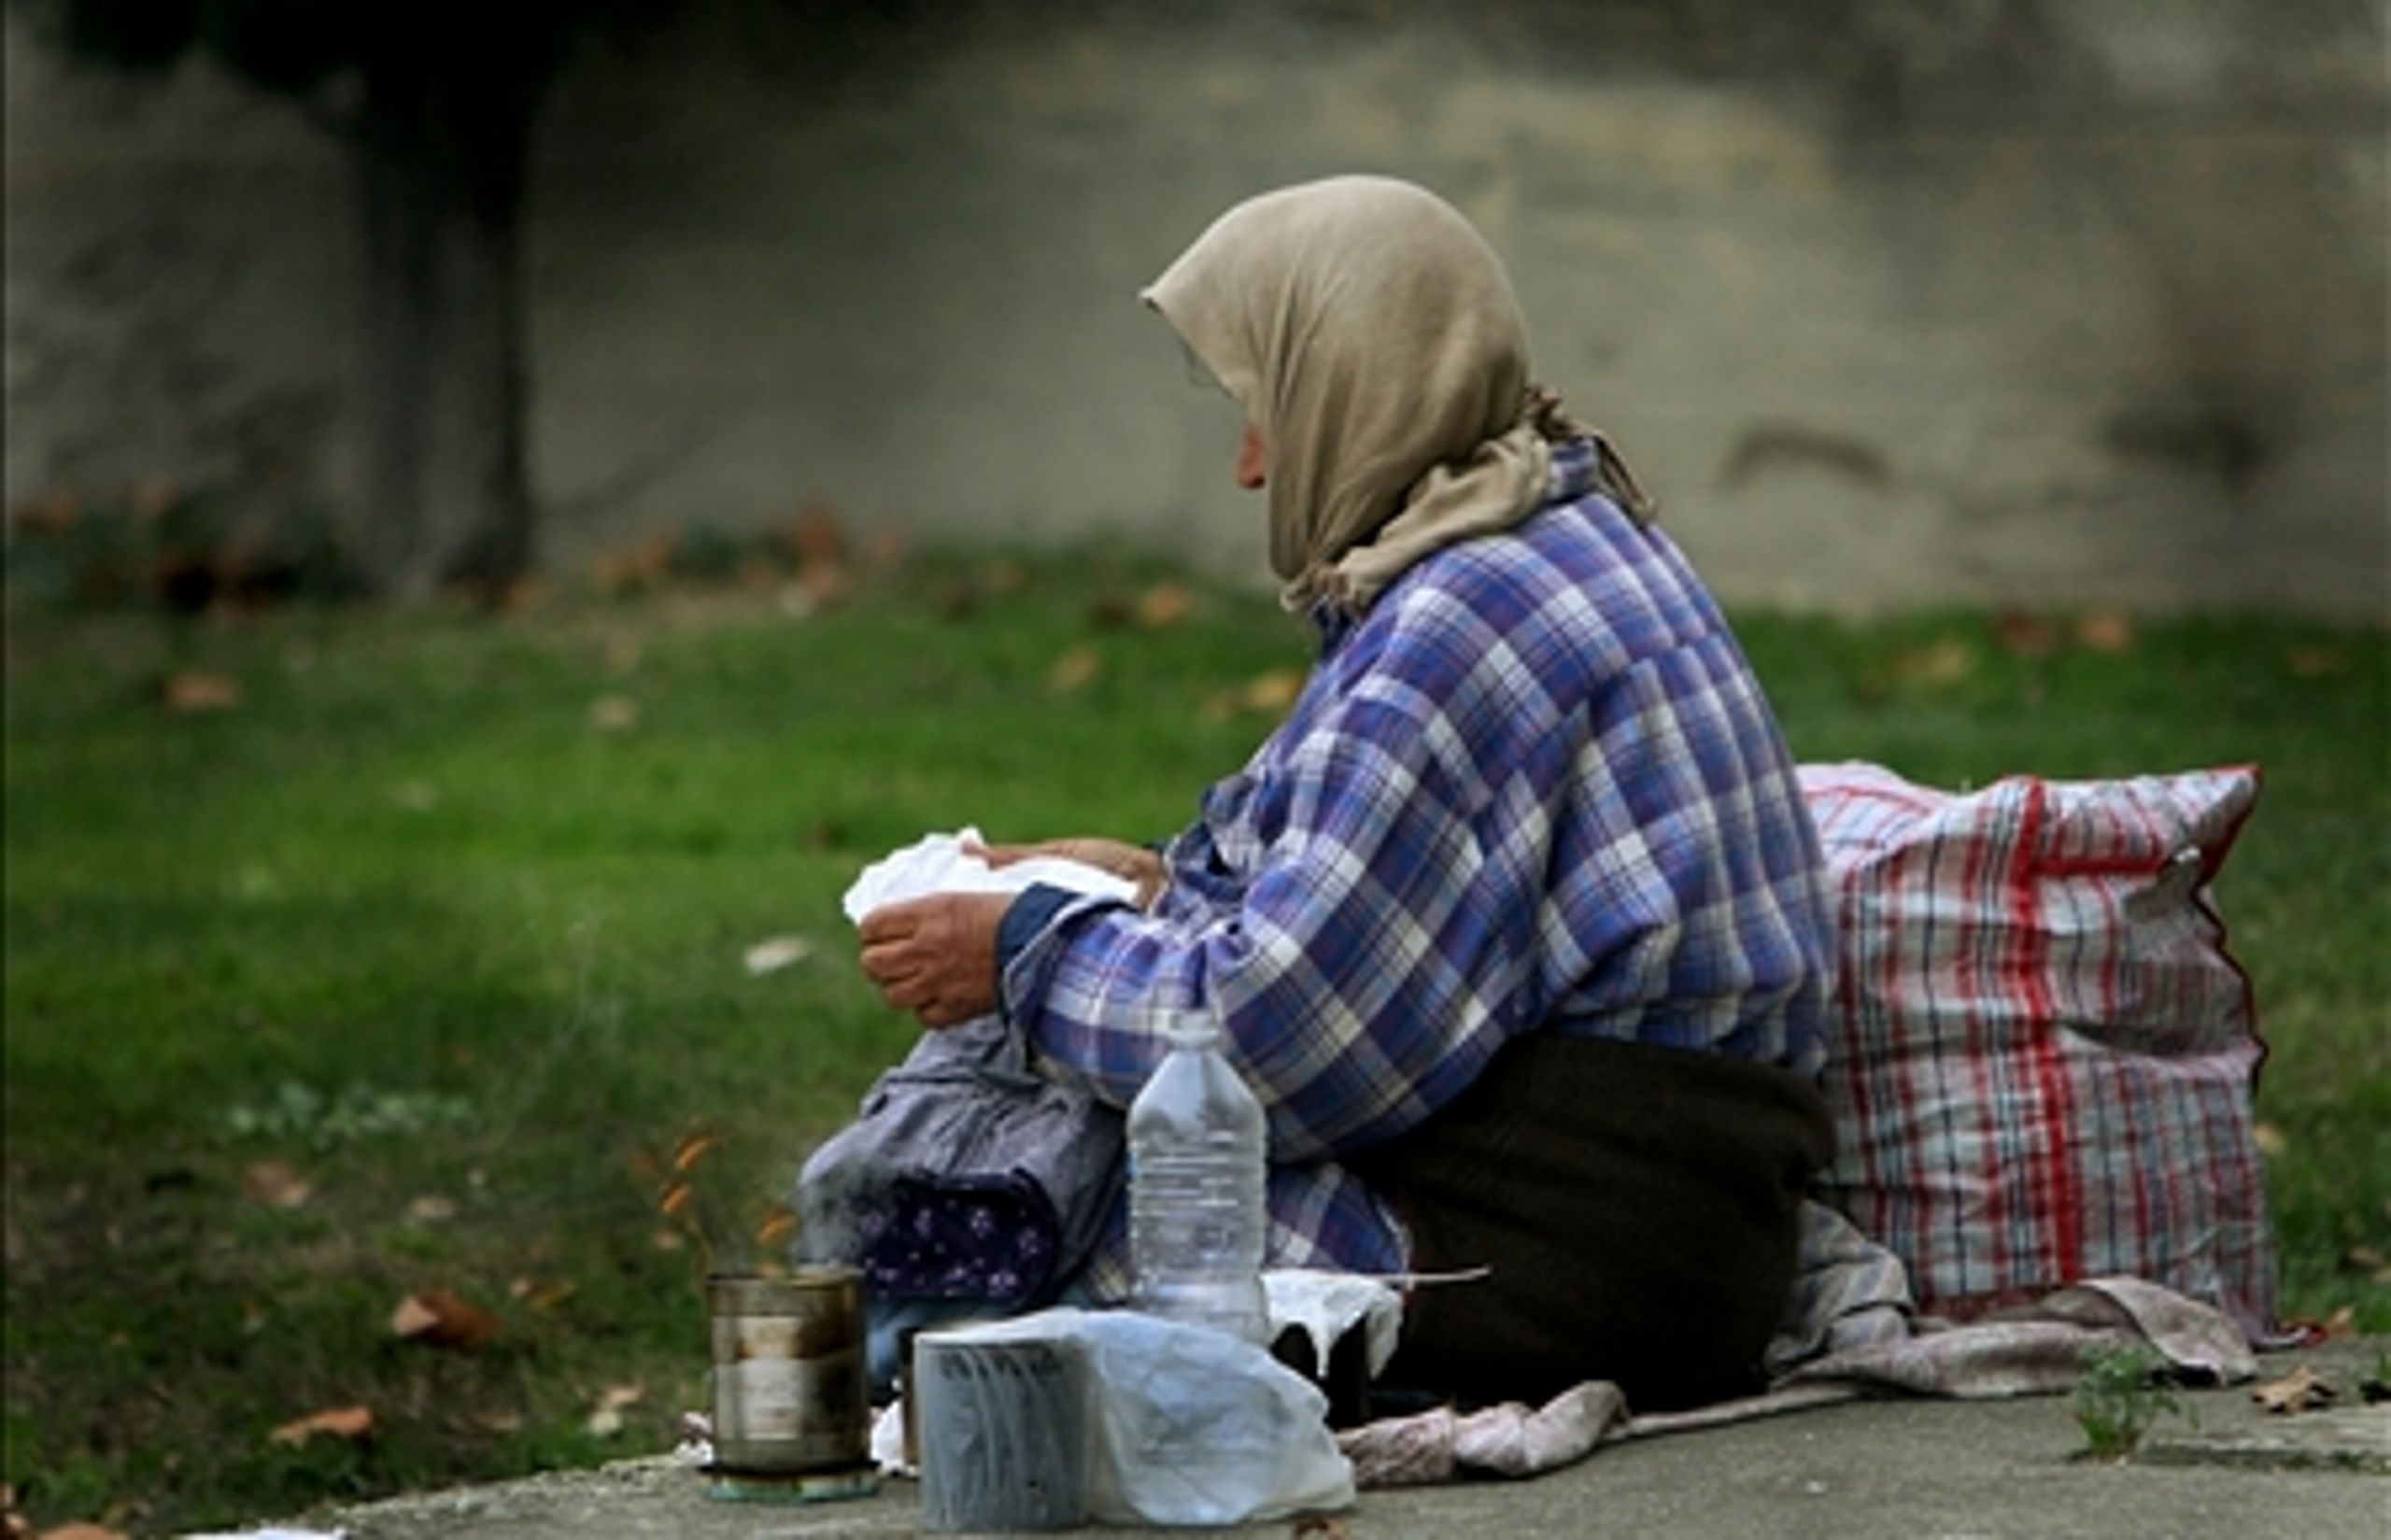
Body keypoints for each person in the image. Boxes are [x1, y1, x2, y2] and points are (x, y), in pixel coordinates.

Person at [836, 174, 1837, 1414]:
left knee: (999, 1234)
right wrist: (1137, 879)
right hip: (1671, 1225)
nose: (1253, 468)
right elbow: (1358, 889)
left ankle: (851, 1412)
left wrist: (1029, 955)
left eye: (1269, 413)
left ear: (1357, 393)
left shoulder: (1465, 620)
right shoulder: (1548, 526)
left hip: (1572, 1252)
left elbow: (1282, 1045)